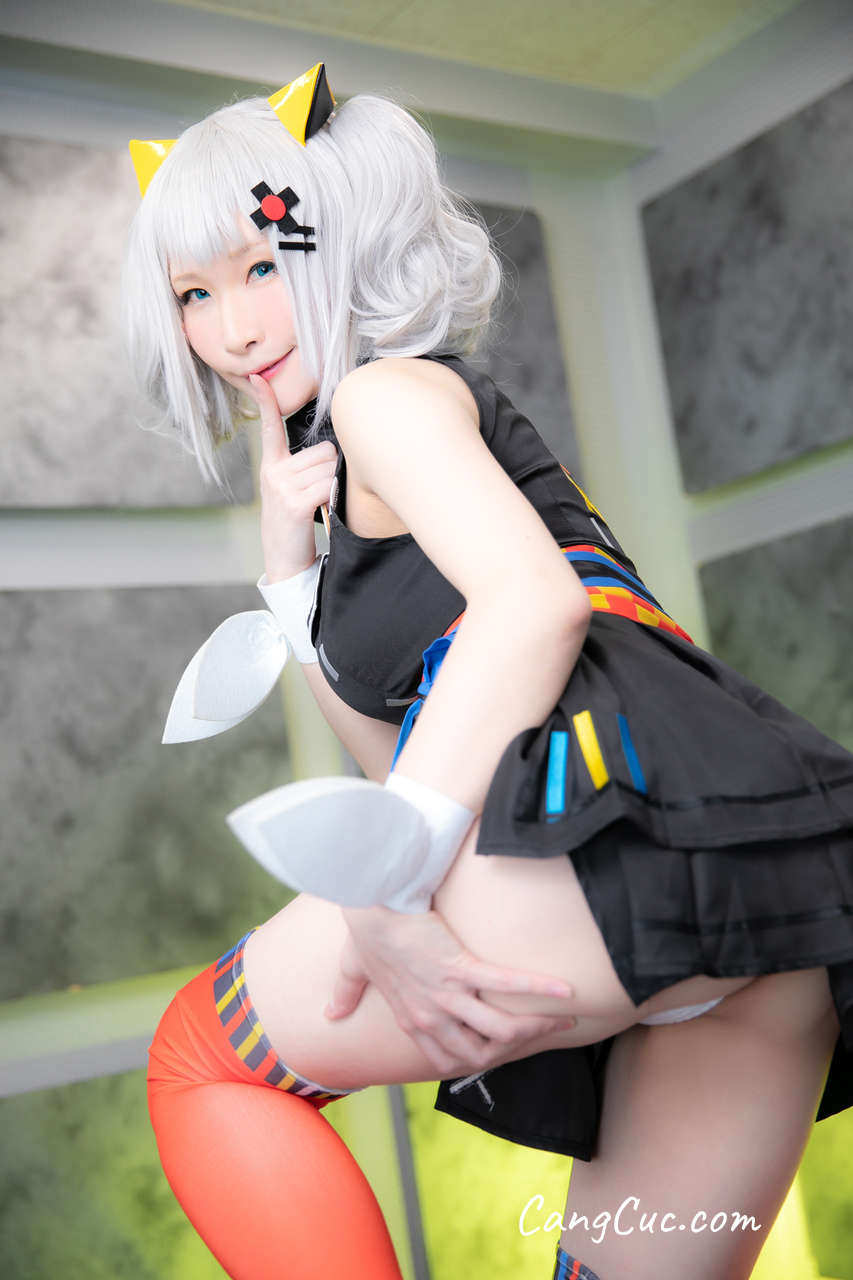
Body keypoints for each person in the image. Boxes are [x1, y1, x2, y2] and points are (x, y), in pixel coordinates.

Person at [122, 66, 853, 1280]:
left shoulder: (383, 395)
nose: (231, 328)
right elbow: (409, 743)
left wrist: (390, 883)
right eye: (193, 292)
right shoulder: (393, 432)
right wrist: (286, 566)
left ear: (347, 244)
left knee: (199, 1058)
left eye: (260, 268)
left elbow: (533, 605)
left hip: (597, 836)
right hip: (761, 899)